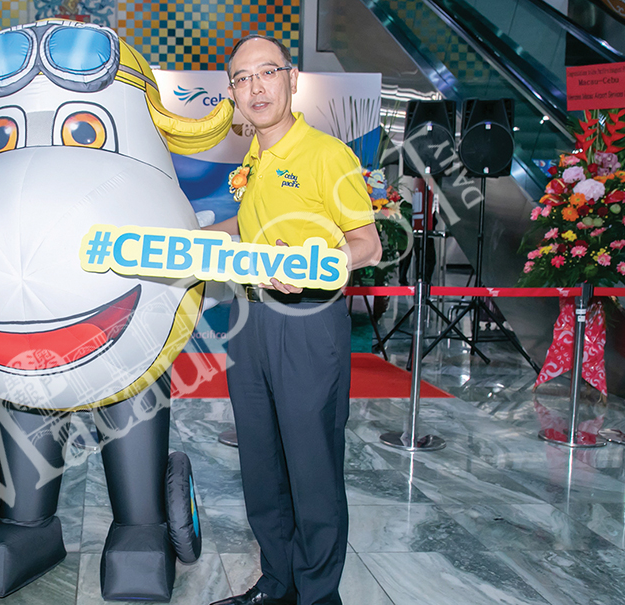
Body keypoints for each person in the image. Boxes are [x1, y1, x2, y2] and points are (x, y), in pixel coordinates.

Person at [206, 35, 382, 605]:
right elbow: (251, 226)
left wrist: (312, 266)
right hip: (249, 321)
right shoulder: (253, 158)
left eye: (267, 73)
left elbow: (368, 243)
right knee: (261, 463)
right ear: (233, 91)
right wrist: (194, 237)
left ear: (292, 78)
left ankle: (317, 595)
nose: (255, 88)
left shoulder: (327, 155)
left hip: (307, 322)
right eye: (242, 78)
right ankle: (277, 584)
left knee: (312, 468)